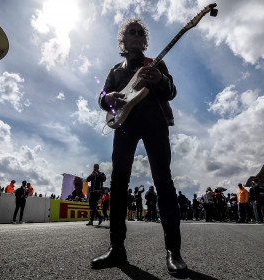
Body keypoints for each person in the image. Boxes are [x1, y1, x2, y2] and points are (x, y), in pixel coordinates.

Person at [91, 18, 187, 275]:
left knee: (163, 181)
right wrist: (107, 99)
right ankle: (116, 248)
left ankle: (173, 251)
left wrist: (159, 79)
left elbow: (171, 91)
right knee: (119, 184)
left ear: (144, 39)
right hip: (123, 125)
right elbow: (103, 97)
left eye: (139, 32)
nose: (135, 35)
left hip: (155, 123)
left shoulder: (155, 63)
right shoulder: (115, 70)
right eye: (130, 32)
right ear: (123, 40)